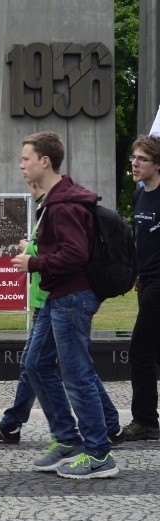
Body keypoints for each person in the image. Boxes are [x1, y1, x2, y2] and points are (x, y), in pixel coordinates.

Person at [0, 182, 125, 447]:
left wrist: (31, 255)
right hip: (48, 297)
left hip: (56, 297)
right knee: (39, 364)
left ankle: (90, 438)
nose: (26, 179)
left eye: (28, 164)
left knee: (66, 369)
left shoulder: (60, 208)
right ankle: (58, 431)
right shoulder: (50, 209)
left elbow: (71, 253)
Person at [11, 131, 118, 479]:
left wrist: (34, 263)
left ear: (45, 161)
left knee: (76, 374)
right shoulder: (56, 199)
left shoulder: (65, 204)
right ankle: (68, 439)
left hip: (71, 297)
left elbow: (76, 253)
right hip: (60, 295)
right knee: (36, 363)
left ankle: (99, 454)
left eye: (26, 158)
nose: (21, 165)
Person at [124, 135, 160, 442]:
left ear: (157, 164)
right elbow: (141, 239)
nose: (135, 164)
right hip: (146, 280)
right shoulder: (139, 196)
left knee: (139, 351)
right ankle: (148, 419)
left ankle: (146, 420)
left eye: (142, 159)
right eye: (133, 158)